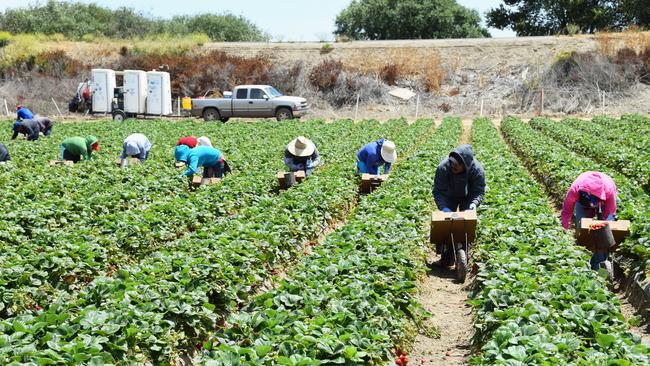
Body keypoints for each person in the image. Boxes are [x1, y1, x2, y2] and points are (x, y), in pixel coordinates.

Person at [561, 171, 617, 270]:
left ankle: (599, 260)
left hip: (604, 201)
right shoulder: (574, 190)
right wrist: (564, 228)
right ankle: (583, 255)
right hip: (582, 202)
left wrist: (603, 228)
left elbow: (610, 212)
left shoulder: (609, 190)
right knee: (582, 226)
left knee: (603, 233)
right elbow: (567, 211)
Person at [433, 144, 485, 212]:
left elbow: (478, 191)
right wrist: (443, 207)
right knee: (448, 219)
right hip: (449, 196)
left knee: (466, 219)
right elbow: (439, 191)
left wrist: (474, 203)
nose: (453, 165)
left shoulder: (477, 170)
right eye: (452, 162)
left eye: (456, 164)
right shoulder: (443, 168)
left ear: (465, 165)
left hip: (468, 196)